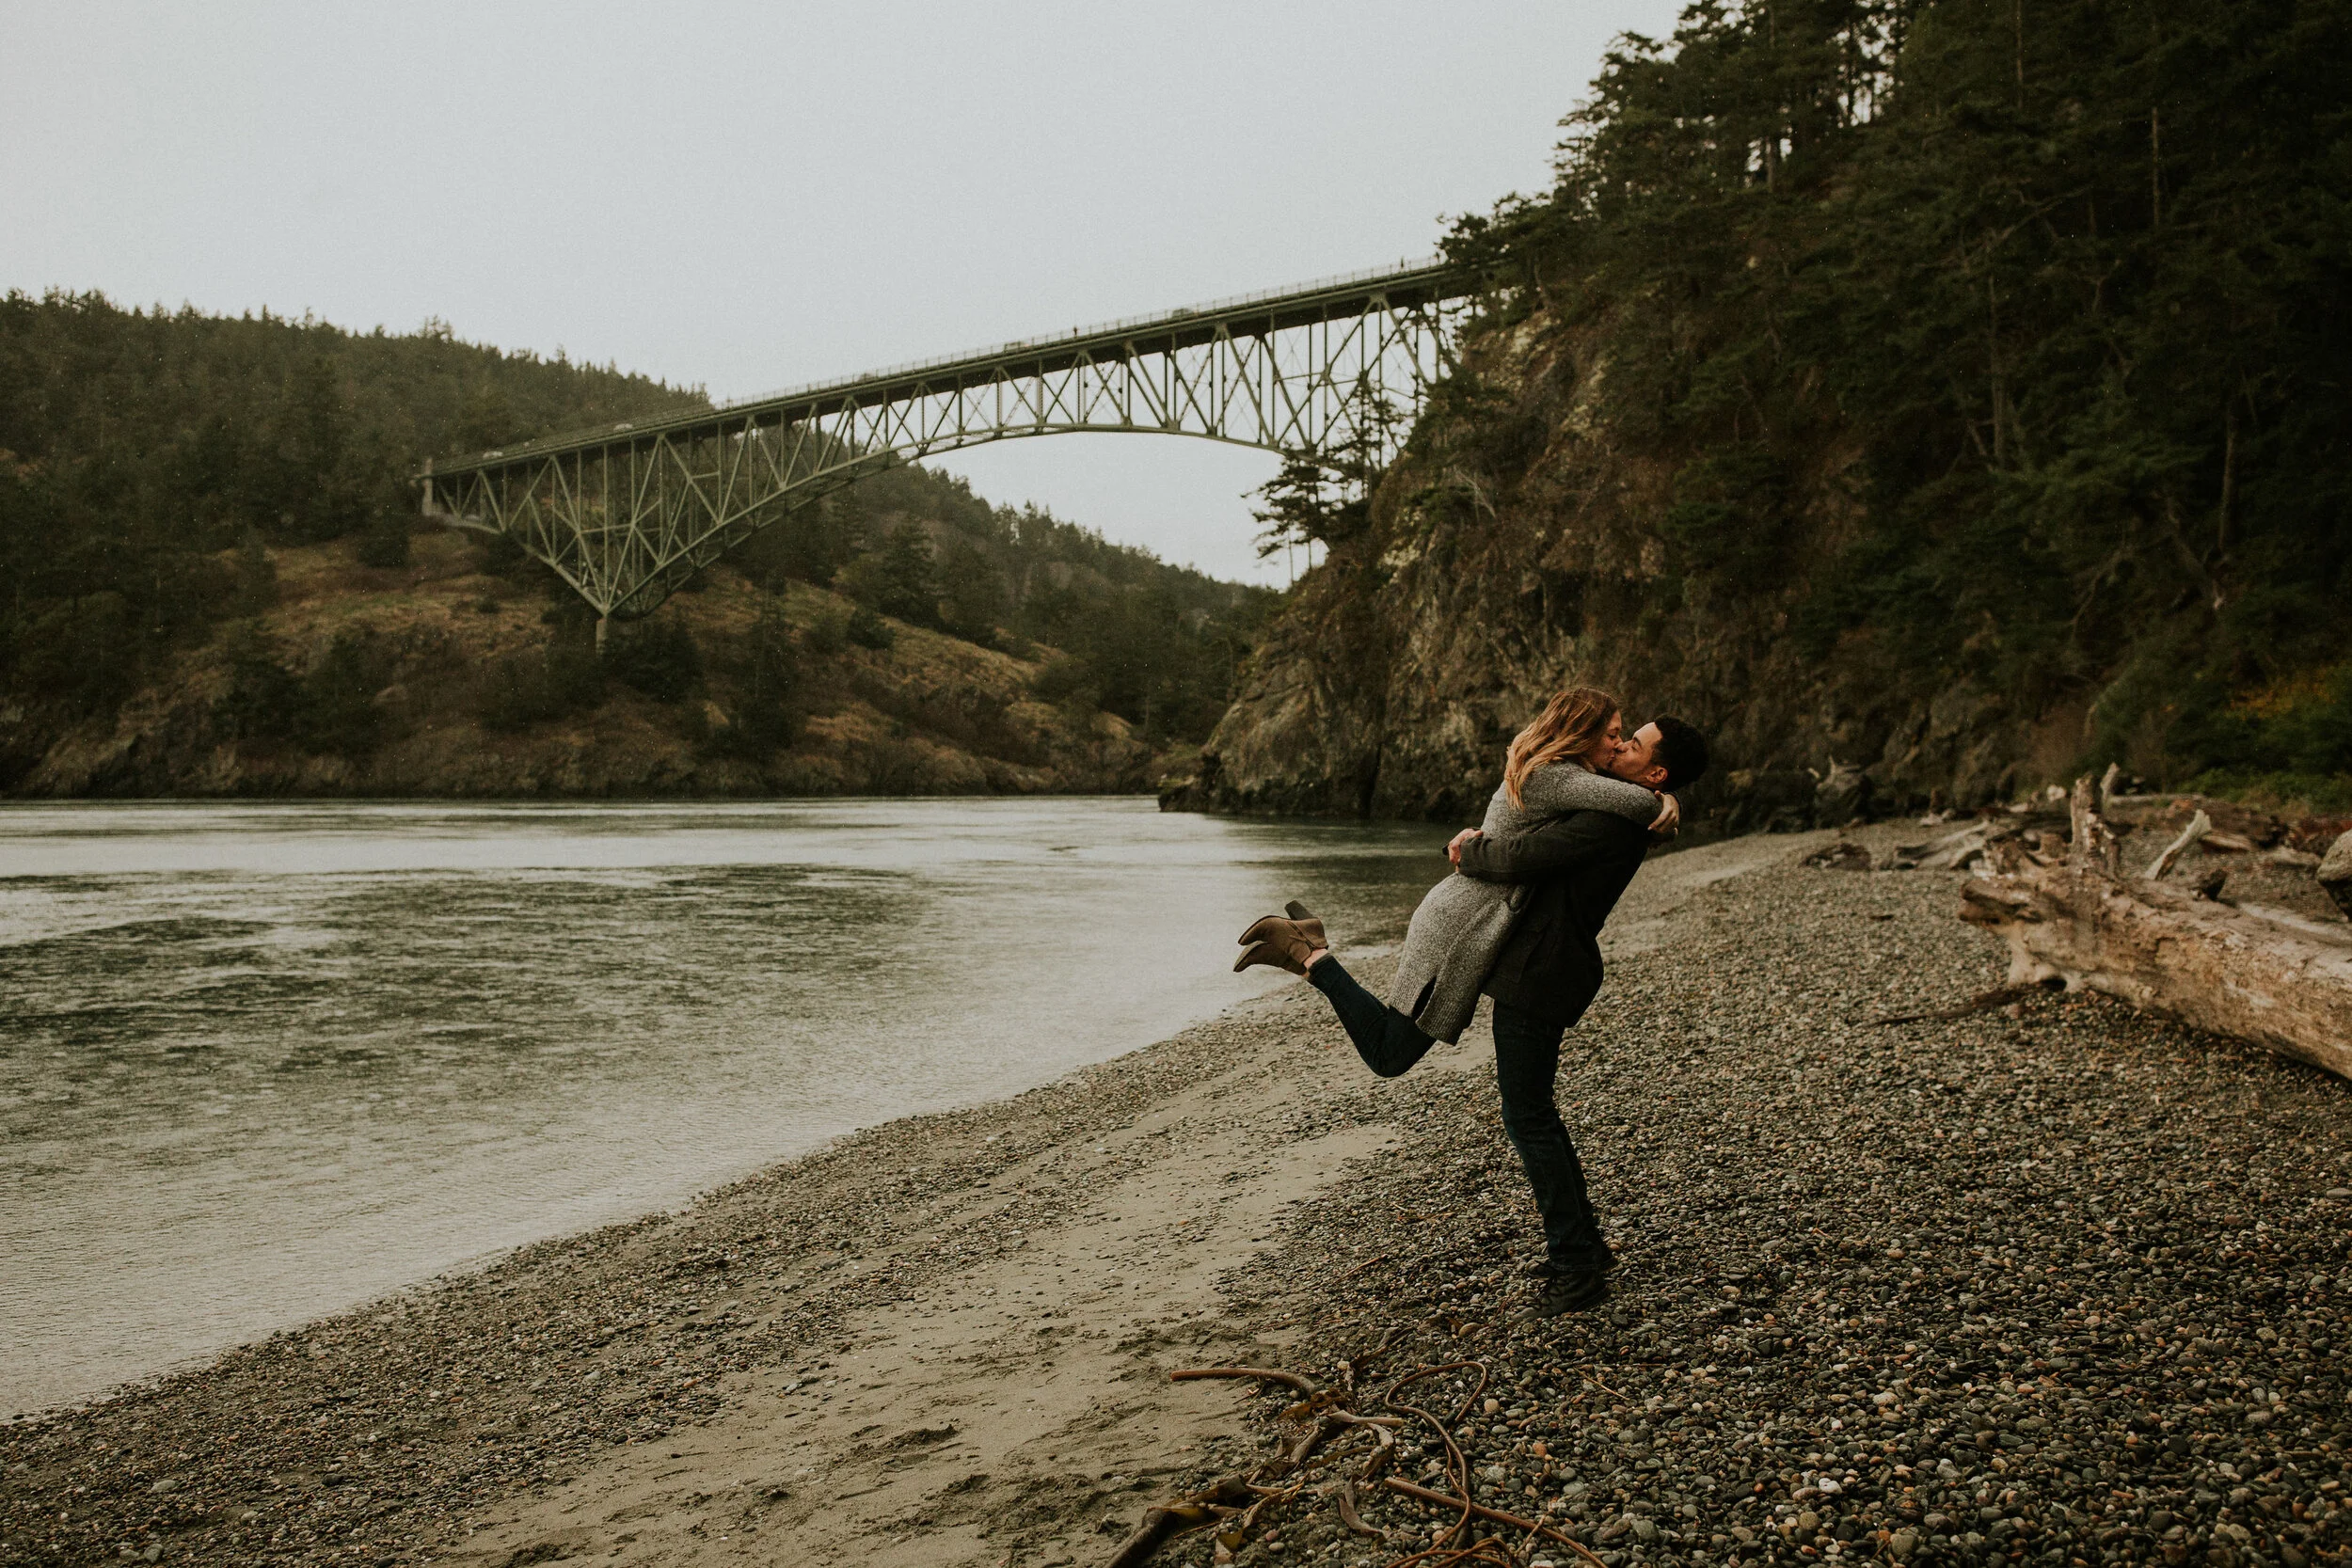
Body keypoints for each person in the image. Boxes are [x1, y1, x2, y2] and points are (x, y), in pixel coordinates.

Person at [1234, 697, 1711, 1317]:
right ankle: (1581, 1249)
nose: (1620, 748)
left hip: (1540, 973)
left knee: (1528, 1116)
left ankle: (1578, 1259)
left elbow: (1524, 857)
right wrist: (1664, 806)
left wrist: (1467, 850)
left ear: (1655, 775)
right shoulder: (1599, 798)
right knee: (1531, 1113)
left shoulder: (1616, 816)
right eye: (1618, 738)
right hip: (1530, 965)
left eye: (1634, 745)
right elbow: (1531, 840)